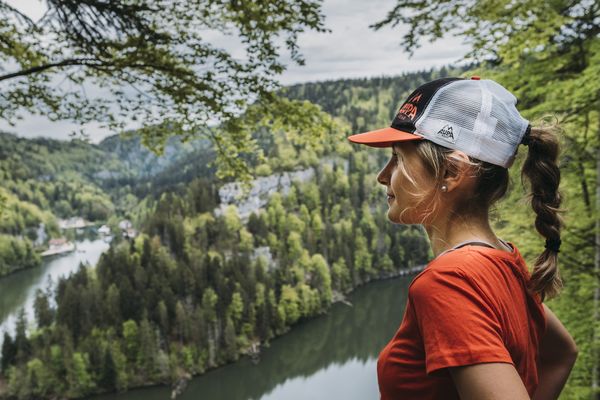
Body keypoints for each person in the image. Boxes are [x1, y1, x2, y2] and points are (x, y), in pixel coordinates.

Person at [347, 77, 578, 400]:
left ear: (452, 173)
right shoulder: (505, 262)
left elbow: (560, 356)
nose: (383, 176)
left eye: (398, 158)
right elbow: (560, 355)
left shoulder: (450, 282)